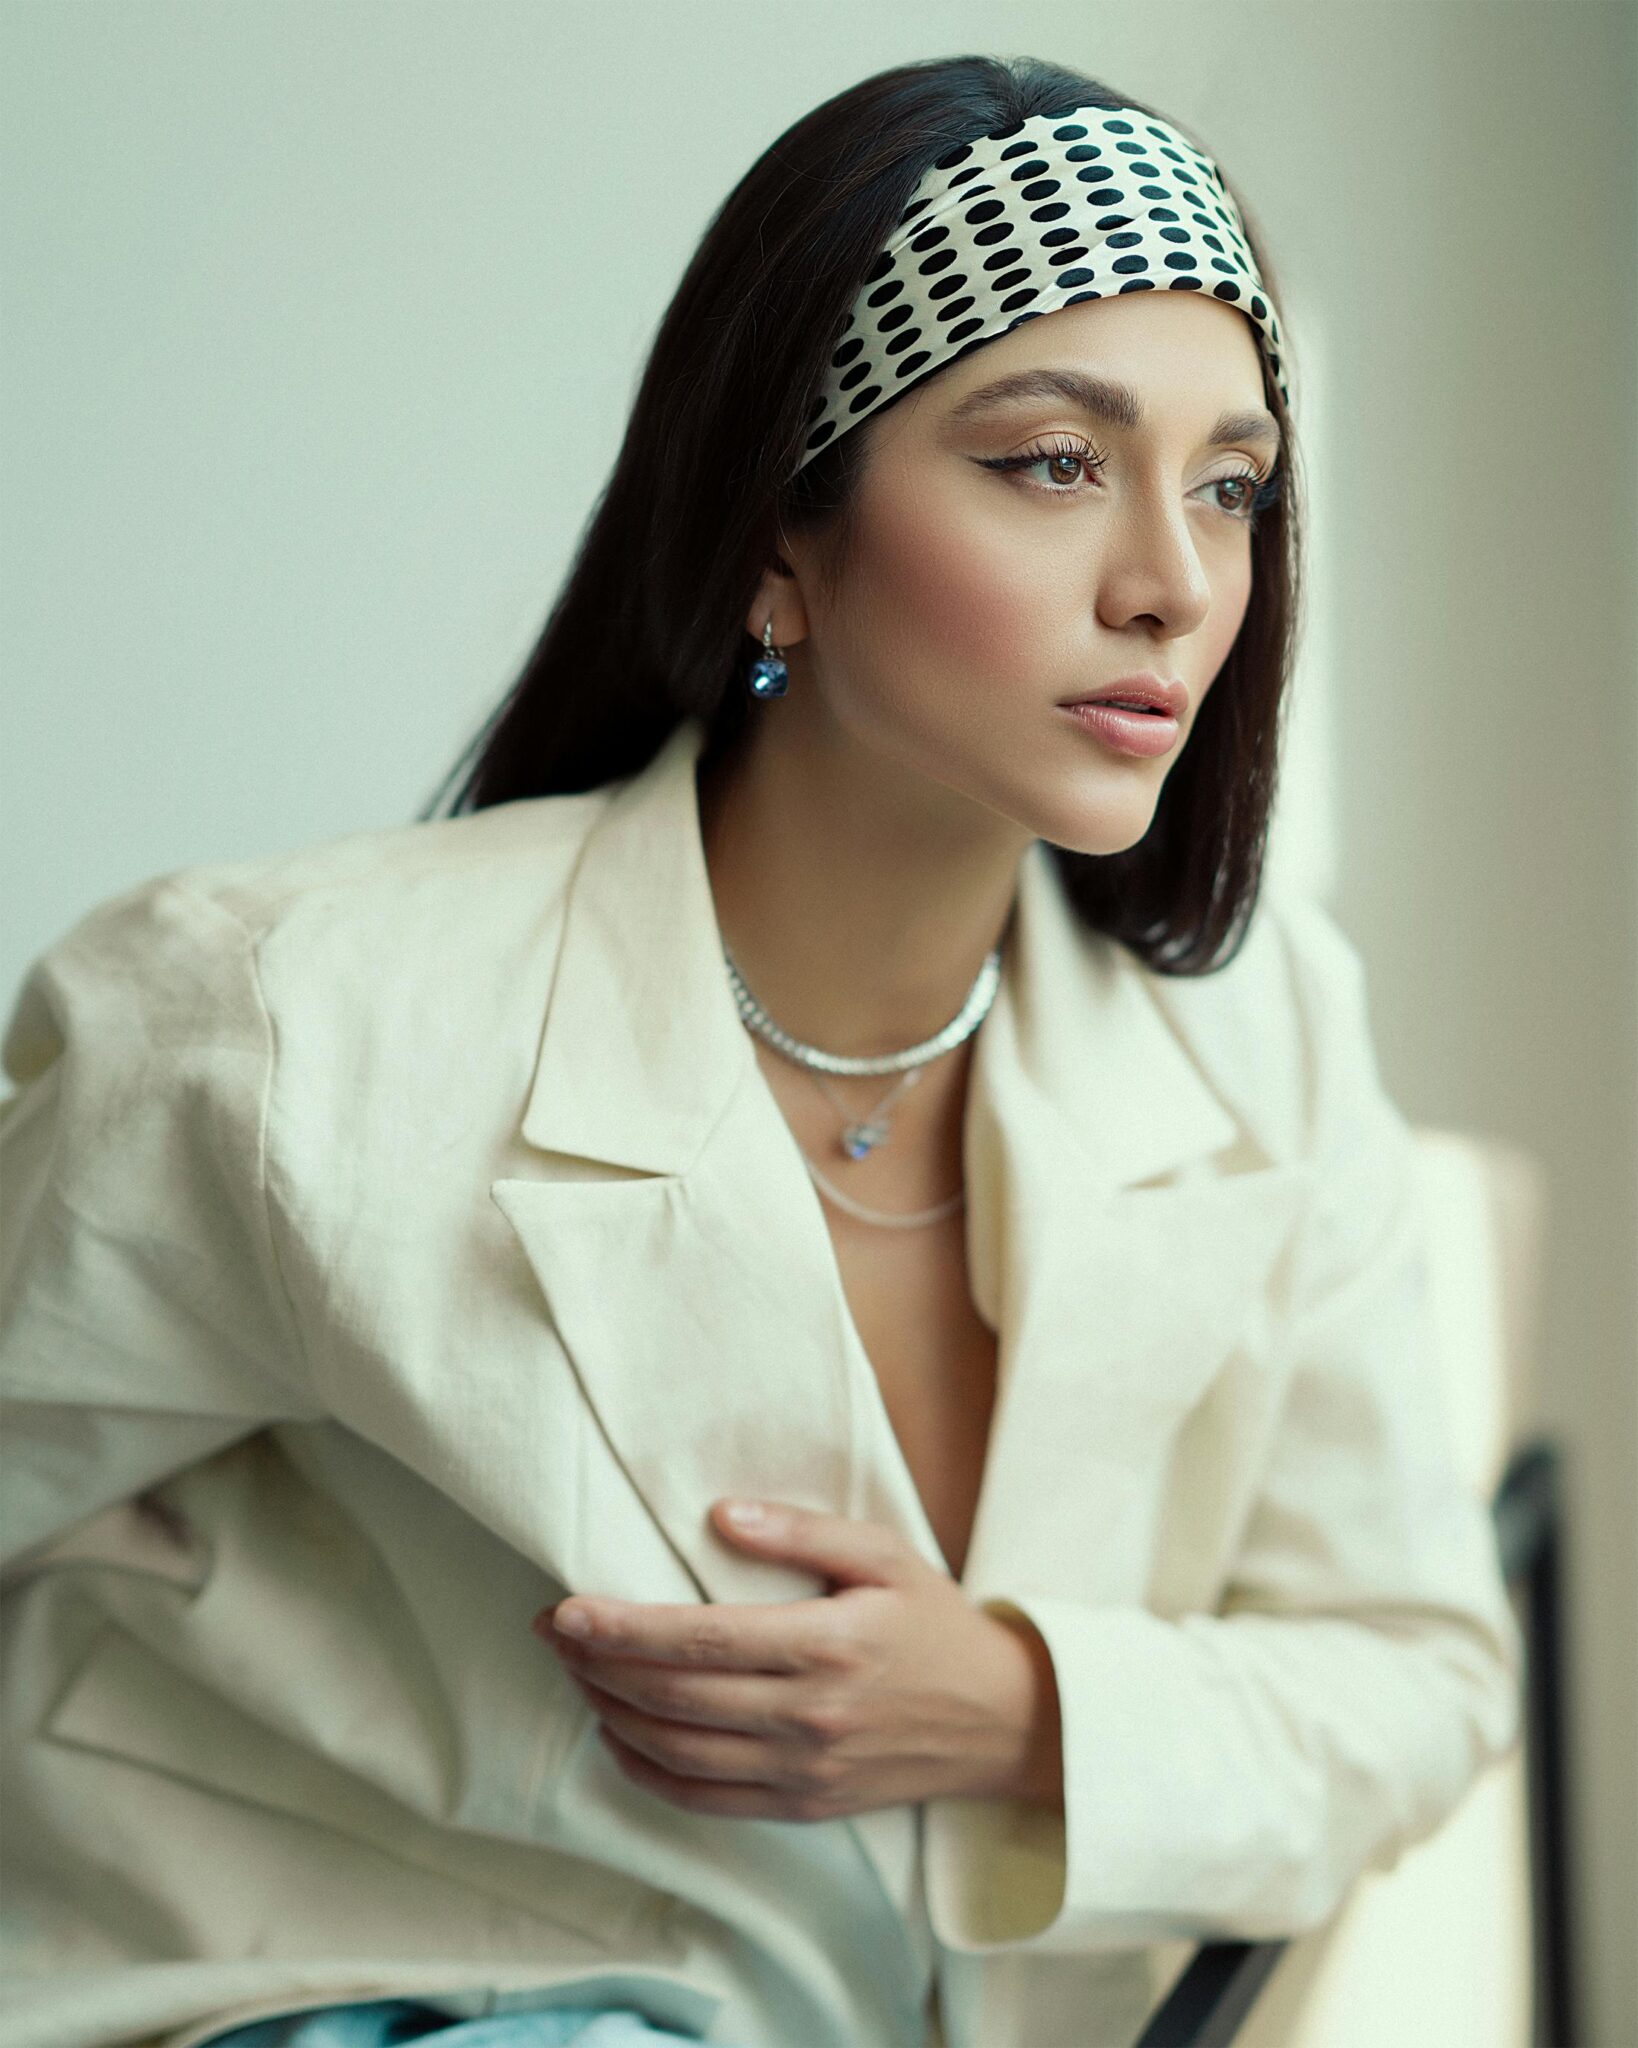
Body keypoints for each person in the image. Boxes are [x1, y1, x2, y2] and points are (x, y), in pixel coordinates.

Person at [0, 50, 1522, 2048]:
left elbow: (1421, 1677)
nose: (1173, 581)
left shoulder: (1265, 1025)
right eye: (1052, 462)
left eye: (1229, 483)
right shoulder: (282, 1024)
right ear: (771, 543)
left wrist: (1012, 1702)